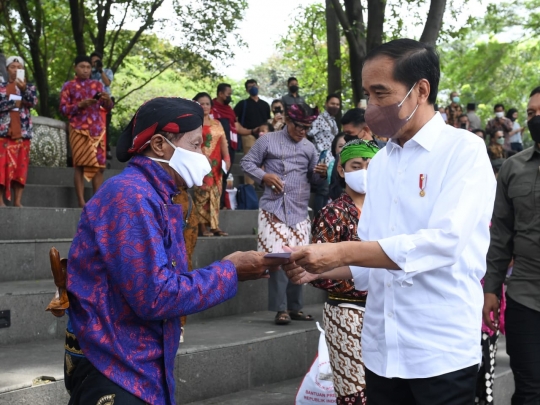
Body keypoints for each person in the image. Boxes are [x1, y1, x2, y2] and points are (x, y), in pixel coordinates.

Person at [283, 38, 496, 405]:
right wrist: (319, 268)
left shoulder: (463, 151)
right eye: (367, 95)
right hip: (382, 350)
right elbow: (371, 259)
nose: (372, 107)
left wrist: (341, 250)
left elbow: (444, 242)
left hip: (438, 351)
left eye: (381, 93)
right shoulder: (380, 163)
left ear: (421, 91)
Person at [65, 97, 286, 405]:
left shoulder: (156, 194)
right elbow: (155, 296)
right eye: (196, 145)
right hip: (116, 366)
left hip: (139, 363)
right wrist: (229, 271)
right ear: (159, 145)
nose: (203, 154)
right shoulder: (131, 197)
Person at [240, 103, 327, 326]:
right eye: (299, 126)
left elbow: (315, 180)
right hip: (274, 208)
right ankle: (280, 310)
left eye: (307, 127)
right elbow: (246, 162)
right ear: (288, 120)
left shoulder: (309, 147)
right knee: (278, 258)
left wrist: (320, 174)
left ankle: (295, 308)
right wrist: (264, 176)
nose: (303, 131)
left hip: (299, 210)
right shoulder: (268, 140)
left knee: (299, 258)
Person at [310, 139, 380, 405]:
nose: (364, 171)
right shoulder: (333, 213)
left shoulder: (383, 213)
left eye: (370, 166)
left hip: (382, 309)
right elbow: (317, 268)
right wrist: (357, 276)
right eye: (357, 165)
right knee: (354, 392)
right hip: (345, 311)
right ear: (341, 170)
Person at [483, 86, 540, 405]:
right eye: (531, 114)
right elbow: (501, 234)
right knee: (530, 389)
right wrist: (491, 289)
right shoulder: (513, 168)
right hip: (525, 298)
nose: (535, 118)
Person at [60, 55, 113, 208]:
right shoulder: (68, 86)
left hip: (97, 130)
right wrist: (80, 105)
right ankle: (81, 202)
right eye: (82, 67)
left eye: (88, 67)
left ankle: (97, 202)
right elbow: (63, 109)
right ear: (75, 68)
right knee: (80, 165)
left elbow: (108, 107)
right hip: (77, 129)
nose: (85, 70)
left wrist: (107, 99)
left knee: (99, 167)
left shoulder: (97, 85)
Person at [0, 56, 38, 207]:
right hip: (4, 132)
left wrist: (23, 90)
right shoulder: (1, 86)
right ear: (7, 69)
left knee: (20, 168)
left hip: (23, 133)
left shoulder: (29, 88)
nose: (16, 70)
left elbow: (32, 102)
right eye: (13, 67)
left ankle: (17, 201)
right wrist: (11, 103)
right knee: (1, 166)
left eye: (19, 67)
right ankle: (0, 201)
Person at [192, 92, 230, 237]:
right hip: (200, 163)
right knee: (202, 194)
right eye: (201, 103)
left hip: (216, 165)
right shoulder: (193, 123)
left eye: (207, 103)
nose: (205, 106)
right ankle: (202, 227)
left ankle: (215, 226)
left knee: (215, 194)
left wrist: (226, 159)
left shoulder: (217, 123)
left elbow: (223, 142)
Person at [234, 79, 271, 186]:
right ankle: (249, 187)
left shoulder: (265, 105)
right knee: (250, 161)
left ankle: (264, 184)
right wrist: (243, 130)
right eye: (250, 87)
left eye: (254, 85)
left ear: (258, 86)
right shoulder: (242, 104)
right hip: (248, 135)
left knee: (265, 160)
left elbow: (268, 121)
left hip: (264, 136)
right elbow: (234, 119)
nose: (253, 88)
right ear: (246, 90)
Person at [308, 94, 340, 214]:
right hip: (322, 157)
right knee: (323, 189)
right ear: (326, 104)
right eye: (332, 104)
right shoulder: (319, 119)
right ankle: (318, 218)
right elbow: (310, 133)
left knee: (329, 189)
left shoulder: (333, 121)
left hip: (332, 158)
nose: (335, 106)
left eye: (337, 104)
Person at [90, 51, 114, 160]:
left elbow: (107, 83)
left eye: (97, 61)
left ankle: (106, 149)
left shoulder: (107, 71)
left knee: (105, 124)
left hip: (106, 100)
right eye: (93, 61)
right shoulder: (88, 72)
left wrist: (100, 70)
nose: (95, 63)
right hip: (93, 101)